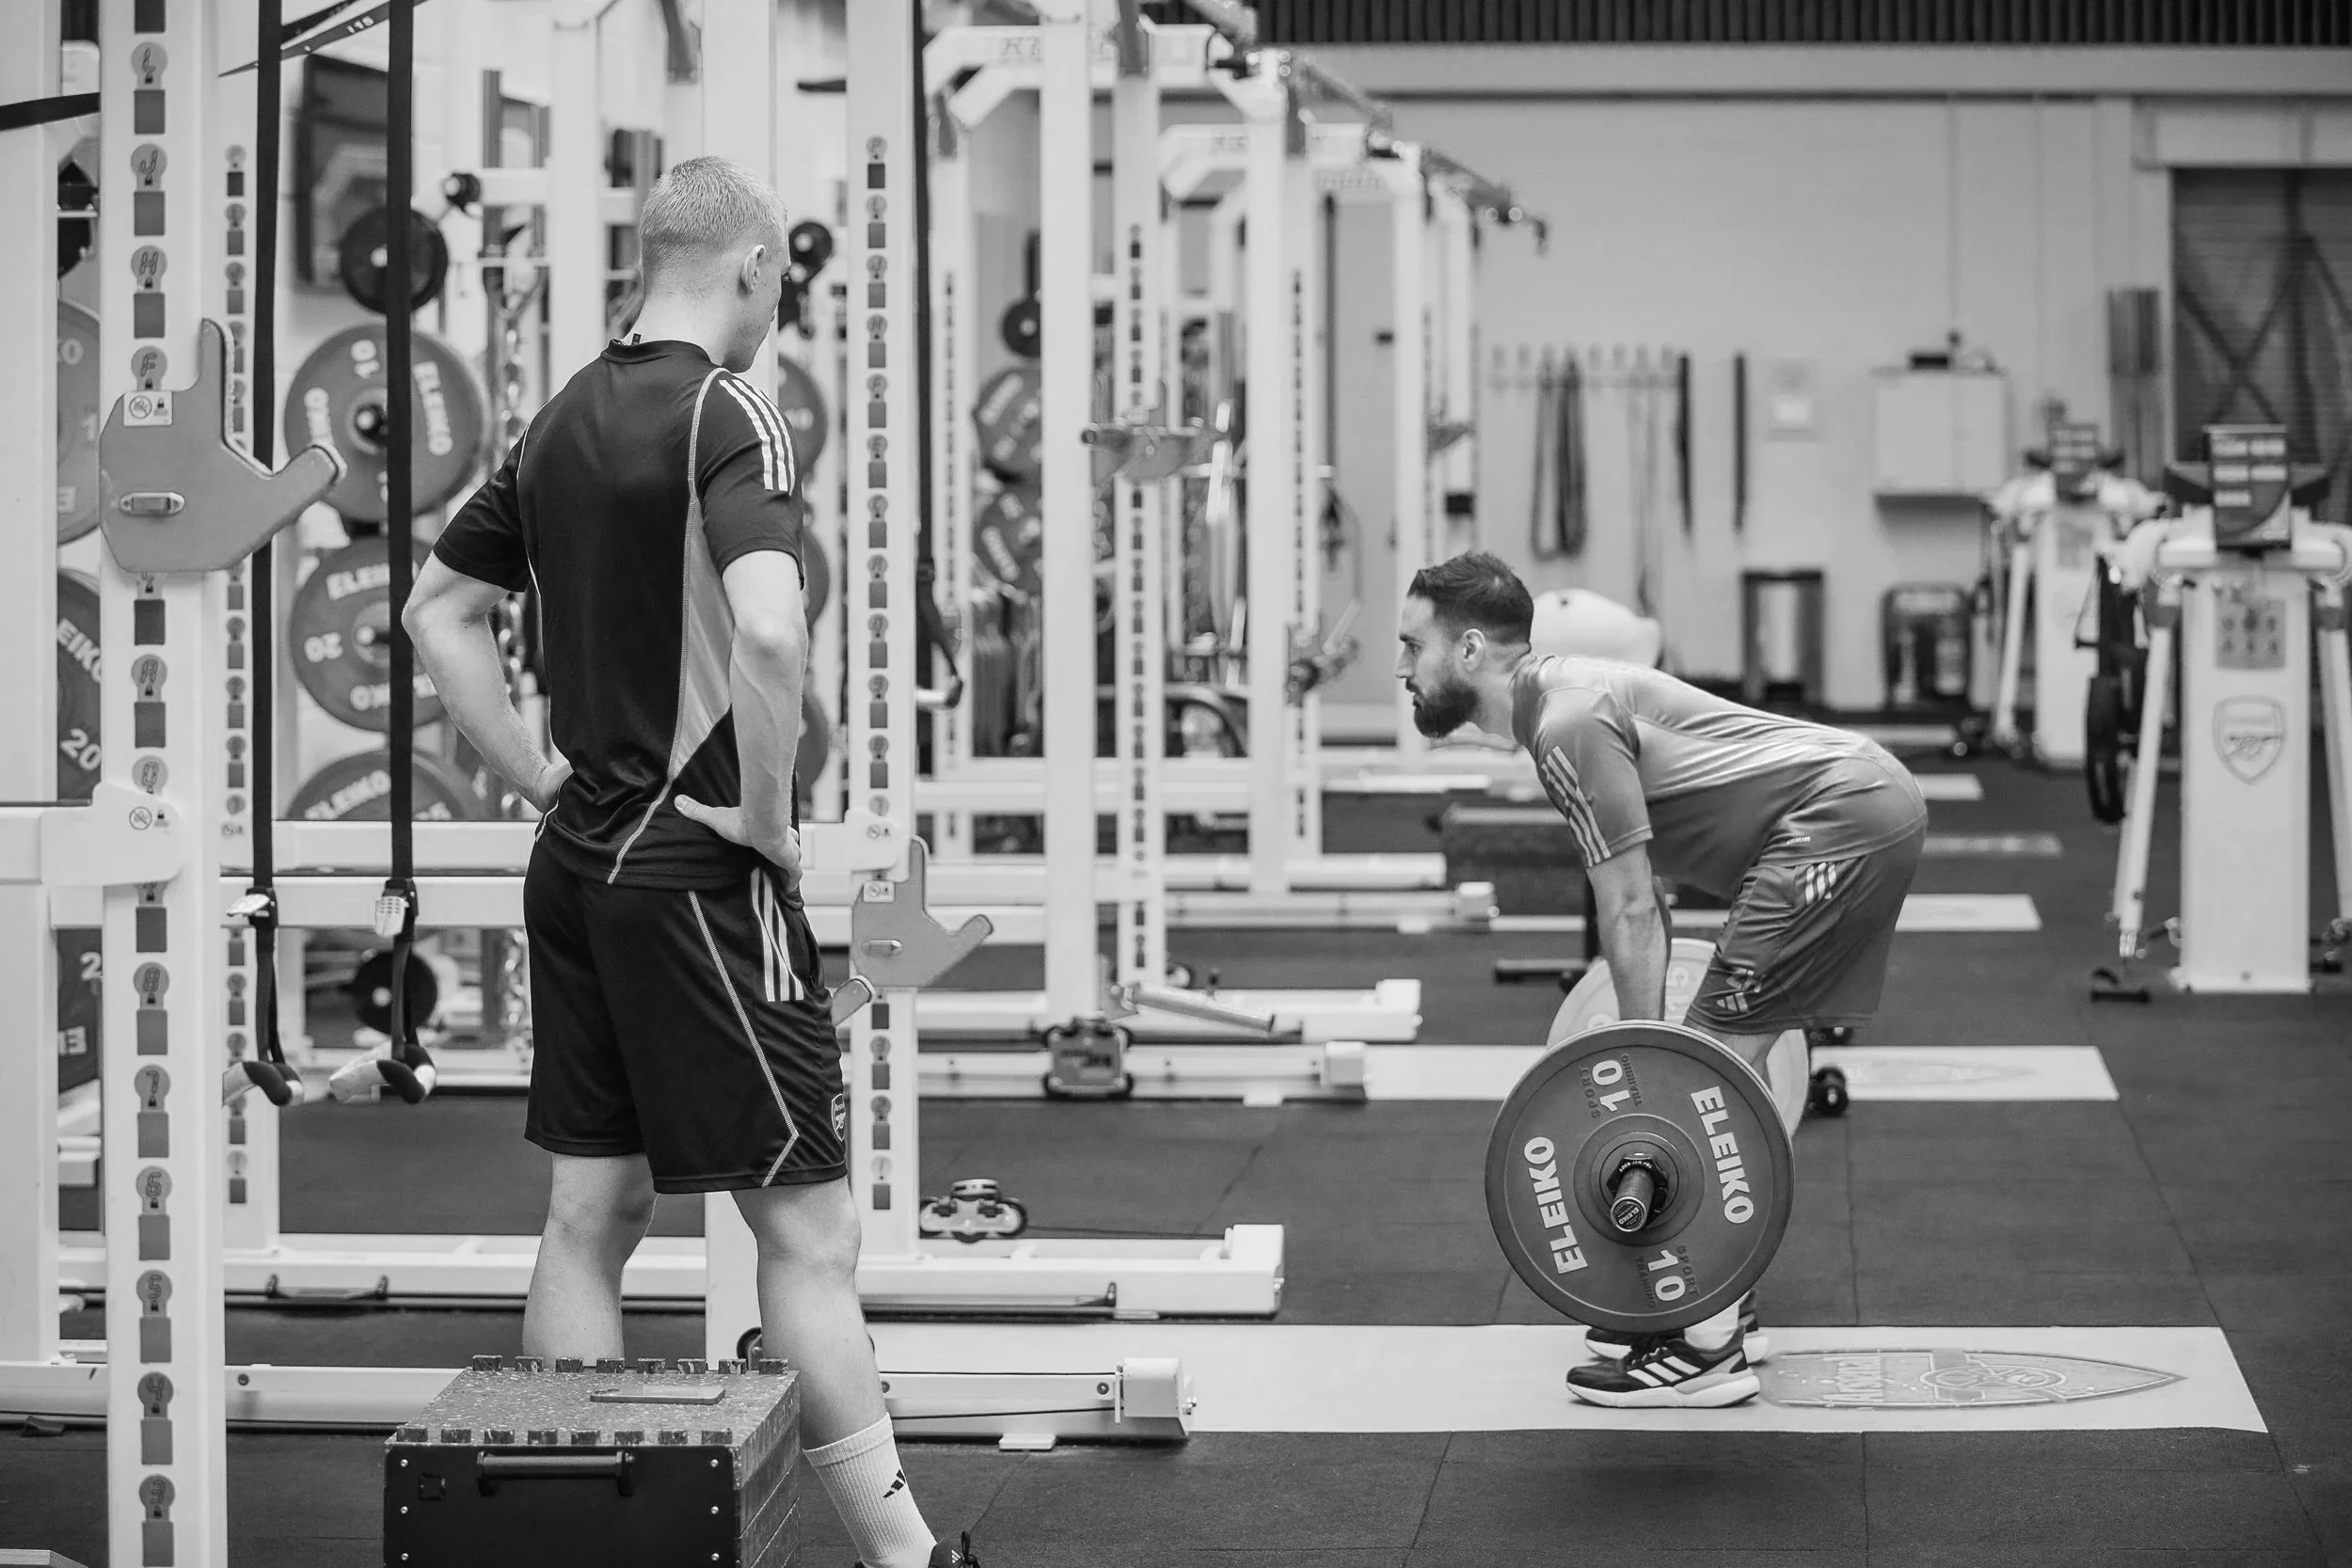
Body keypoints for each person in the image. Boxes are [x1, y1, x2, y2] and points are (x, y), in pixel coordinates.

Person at [405, 155, 977, 1568]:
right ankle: (904, 1557)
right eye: (780, 280)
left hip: (582, 862)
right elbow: (774, 631)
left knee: (591, 1213)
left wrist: (540, 776)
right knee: (809, 1229)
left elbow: (436, 610)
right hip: (700, 874)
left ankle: (565, 1541)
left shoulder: (551, 423)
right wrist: (774, 816)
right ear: (757, 267)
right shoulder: (731, 412)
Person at [1396, 552, 1927, 1410]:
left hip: (1837, 819)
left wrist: (1645, 1079)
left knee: (1705, 1080)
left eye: (1410, 644)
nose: (1398, 668)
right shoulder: (1559, 705)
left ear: (1466, 651)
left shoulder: (1565, 721)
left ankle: (1706, 1345)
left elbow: (1633, 908)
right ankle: (1713, 1303)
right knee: (1724, 1071)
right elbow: (1652, 903)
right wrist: (1654, 1067)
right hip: (1844, 812)